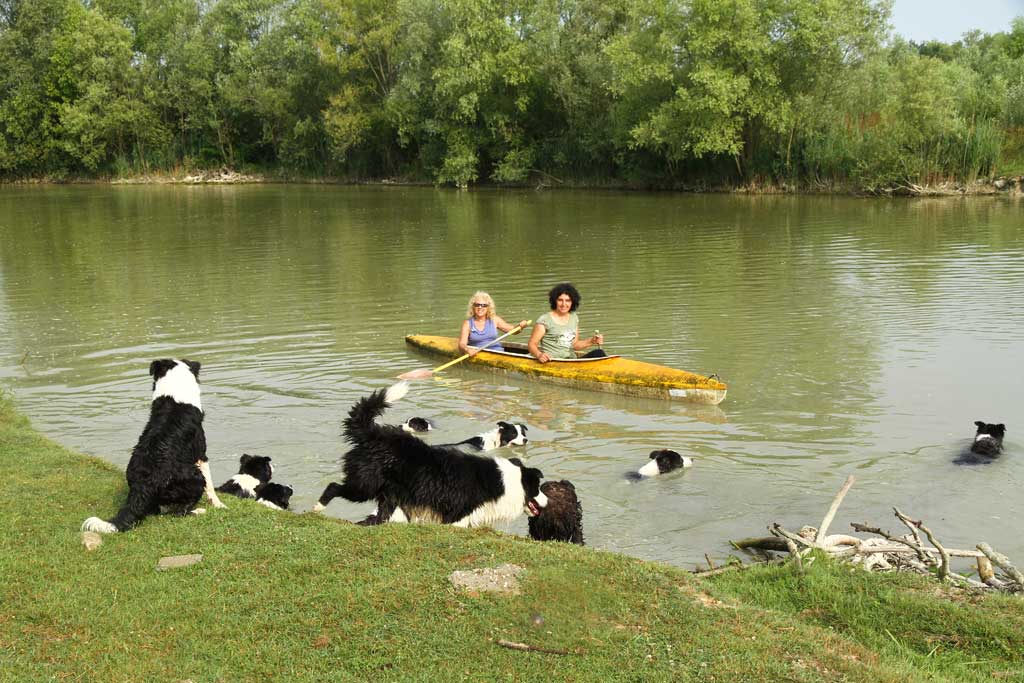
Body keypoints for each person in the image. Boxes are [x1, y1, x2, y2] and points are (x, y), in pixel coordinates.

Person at [528, 282, 605, 363]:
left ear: (572, 302)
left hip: (571, 361)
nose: (564, 304)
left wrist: (592, 341)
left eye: (567, 300)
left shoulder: (574, 317)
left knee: (599, 353)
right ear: (555, 301)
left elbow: (575, 345)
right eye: (560, 300)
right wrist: (539, 355)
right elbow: (532, 344)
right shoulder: (544, 320)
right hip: (552, 362)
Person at [458, 292, 529, 356]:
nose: (480, 307)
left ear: (488, 307)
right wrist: (467, 350)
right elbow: (462, 344)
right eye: (477, 305)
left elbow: (513, 331)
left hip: (498, 352)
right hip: (478, 354)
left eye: (484, 305)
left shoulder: (494, 319)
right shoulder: (467, 323)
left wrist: (520, 327)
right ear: (473, 307)